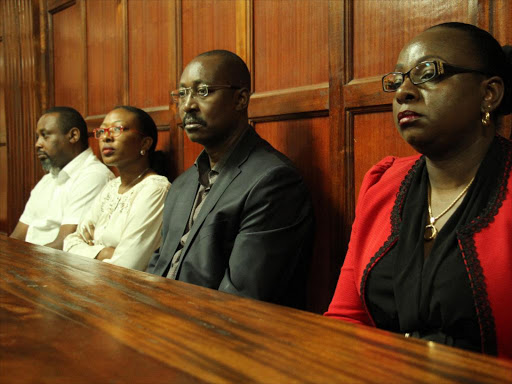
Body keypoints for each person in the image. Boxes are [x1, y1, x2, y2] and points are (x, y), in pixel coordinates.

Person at [325, 22, 512, 359]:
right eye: (397, 81)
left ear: (489, 94)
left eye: (428, 73)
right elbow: (345, 318)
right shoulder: (382, 185)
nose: (403, 93)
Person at [147, 50, 314, 308]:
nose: (188, 105)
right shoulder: (182, 184)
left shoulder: (273, 182)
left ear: (240, 99)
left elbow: (240, 299)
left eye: (203, 91)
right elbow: (158, 268)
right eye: (182, 94)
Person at [63, 106, 170, 271]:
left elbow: (126, 266)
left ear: (145, 143)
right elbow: (69, 244)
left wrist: (90, 249)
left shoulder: (155, 189)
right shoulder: (112, 186)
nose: (106, 137)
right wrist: (105, 252)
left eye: (116, 129)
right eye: (102, 131)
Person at [10, 107, 114, 249]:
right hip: (29, 260)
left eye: (45, 135)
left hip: (52, 265)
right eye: (37, 137)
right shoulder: (48, 180)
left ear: (73, 136)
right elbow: (18, 236)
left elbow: (64, 245)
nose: (38, 144)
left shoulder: (93, 176)